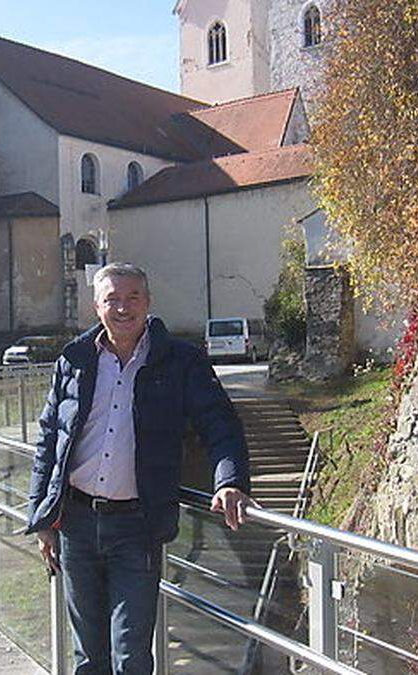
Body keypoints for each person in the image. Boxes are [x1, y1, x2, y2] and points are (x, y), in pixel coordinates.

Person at [25, 262, 253, 674]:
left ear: (148, 303)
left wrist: (230, 481)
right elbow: (49, 438)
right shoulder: (75, 359)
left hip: (137, 527)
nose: (123, 308)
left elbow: (220, 423)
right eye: (112, 299)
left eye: (132, 298)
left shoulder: (180, 361)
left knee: (131, 656)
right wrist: (42, 515)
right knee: (89, 658)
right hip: (75, 522)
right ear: (97, 306)